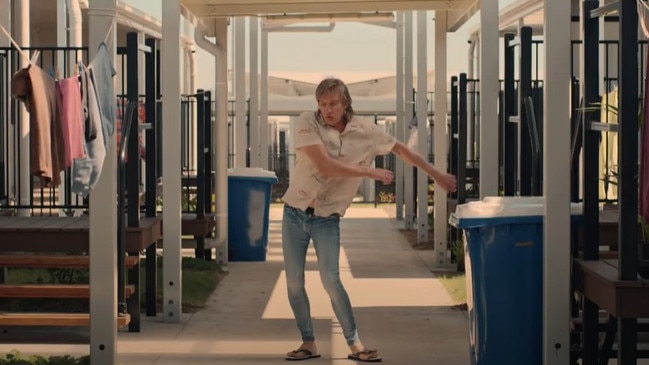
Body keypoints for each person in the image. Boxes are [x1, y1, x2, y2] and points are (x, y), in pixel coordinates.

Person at [281, 78, 457, 362]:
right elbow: (323, 164)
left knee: (331, 280)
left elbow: (401, 149)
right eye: (323, 104)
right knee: (293, 282)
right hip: (294, 212)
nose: (327, 110)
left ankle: (355, 345)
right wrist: (368, 173)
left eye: (333, 104)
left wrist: (434, 173)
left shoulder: (366, 131)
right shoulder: (307, 121)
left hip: (327, 218)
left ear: (346, 103)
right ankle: (308, 342)